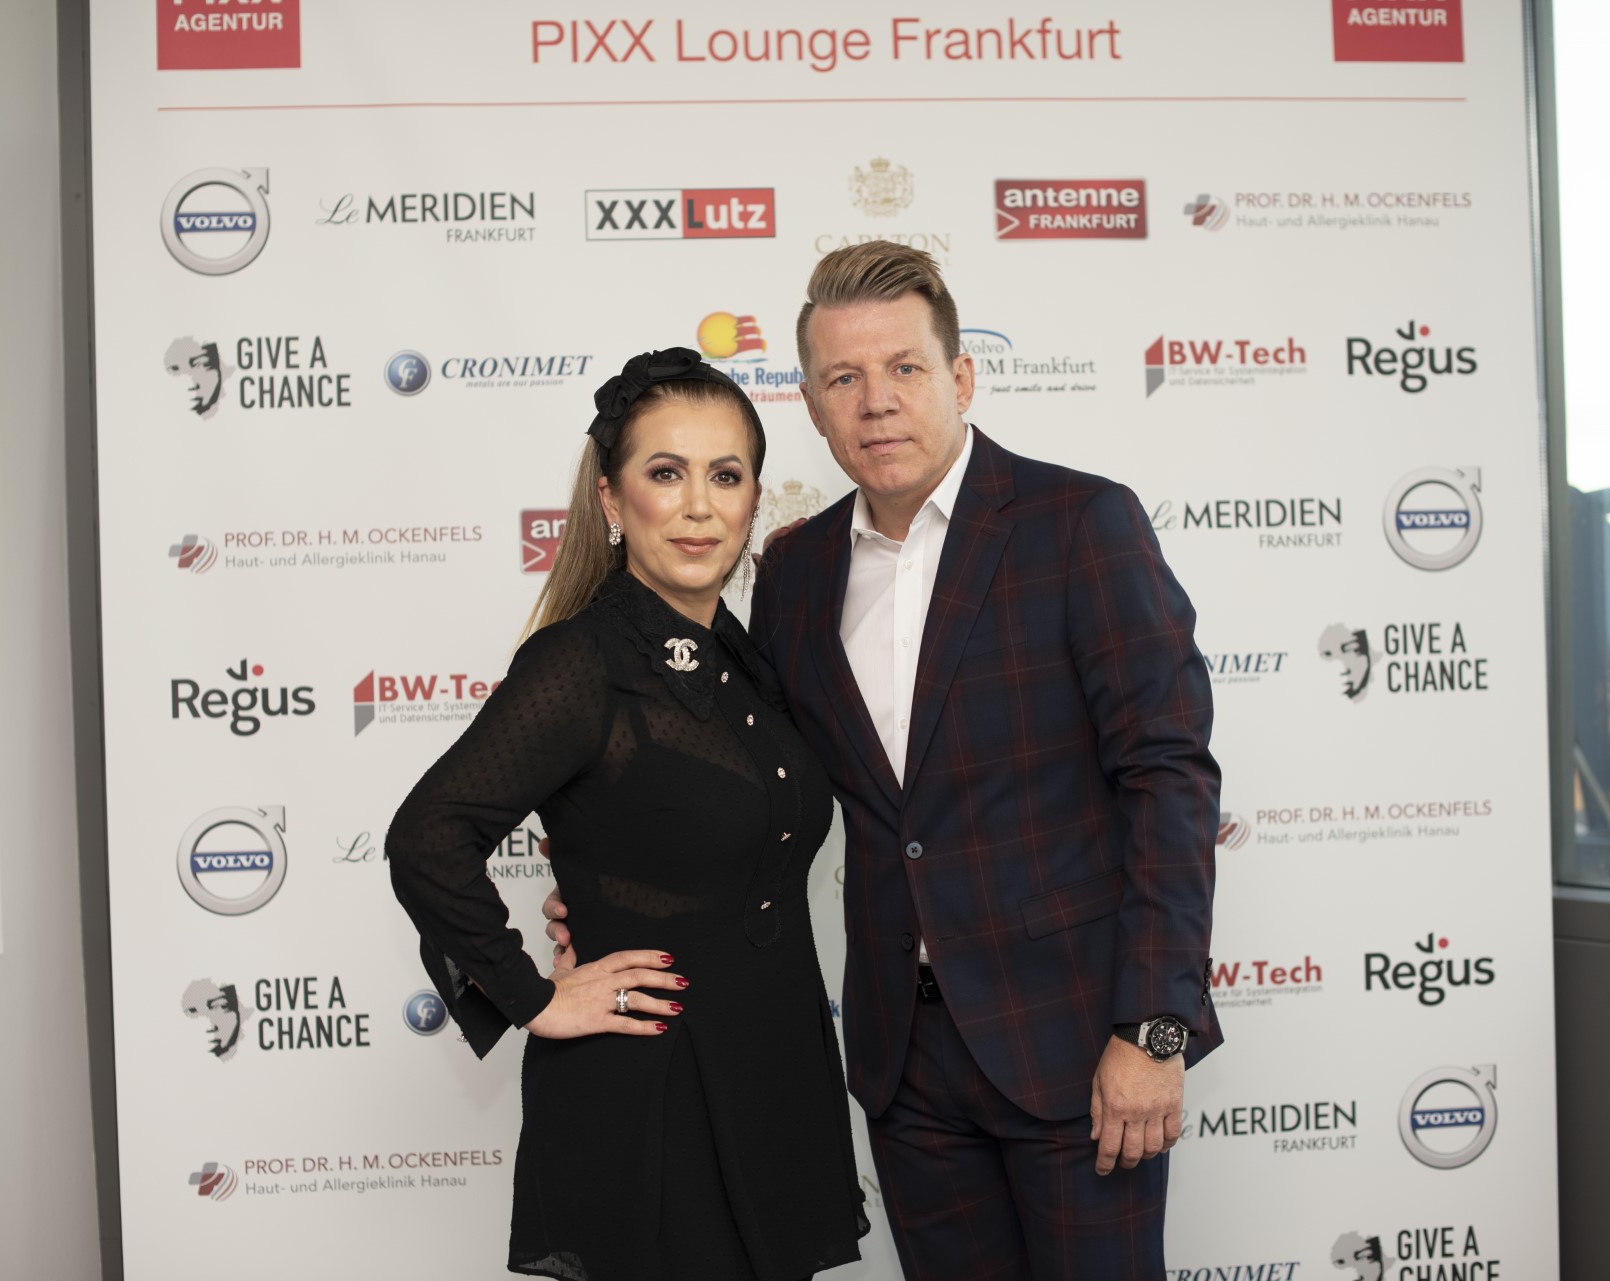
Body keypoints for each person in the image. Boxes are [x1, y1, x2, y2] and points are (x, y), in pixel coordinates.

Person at [547, 242, 1222, 1279]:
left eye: (904, 367)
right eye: (842, 378)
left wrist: (1155, 1028)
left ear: (960, 377)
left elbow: (1166, 779)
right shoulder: (795, 568)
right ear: (813, 410)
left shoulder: (1079, 525)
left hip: (1078, 1046)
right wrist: (617, 890)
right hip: (903, 1067)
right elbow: (744, 774)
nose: (876, 402)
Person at [387, 348, 866, 1281]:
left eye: (725, 475)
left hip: (771, 1073)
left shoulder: (747, 660)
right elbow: (426, 838)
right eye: (666, 473)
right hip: (649, 1093)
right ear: (610, 499)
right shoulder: (578, 662)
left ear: (753, 499)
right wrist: (530, 995)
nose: (698, 506)